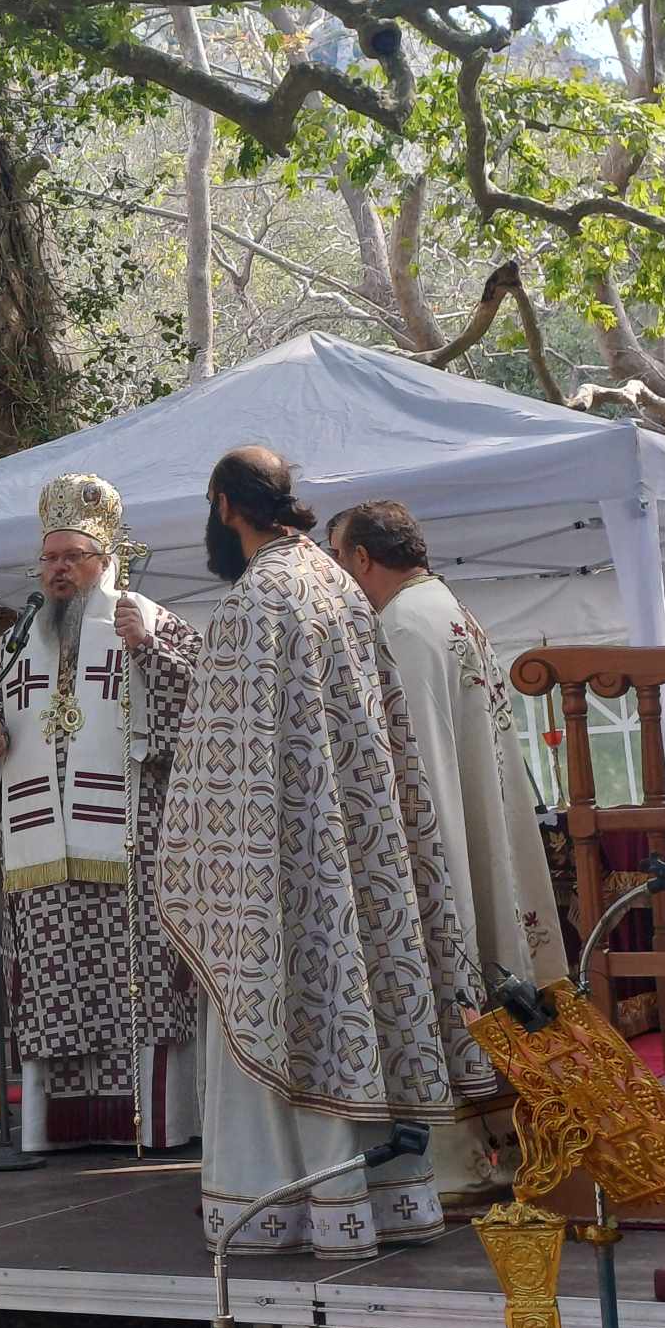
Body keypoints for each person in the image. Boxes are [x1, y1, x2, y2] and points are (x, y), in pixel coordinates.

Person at [158, 448, 494, 1258]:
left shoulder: (255, 599)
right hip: (352, 856)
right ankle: (381, 1198)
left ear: (223, 504)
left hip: (276, 868)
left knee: (279, 1009)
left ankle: (285, 1207)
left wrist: (187, 864)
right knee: (349, 1013)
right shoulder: (339, 585)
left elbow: (221, 769)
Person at [0, 473, 202, 1152]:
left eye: (72, 557)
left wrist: (149, 651)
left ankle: (157, 1128)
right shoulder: (12, 645)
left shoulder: (145, 621)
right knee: (52, 992)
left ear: (106, 560)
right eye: (50, 558)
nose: (58, 570)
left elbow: (210, 710)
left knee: (138, 990)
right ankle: (50, 1131)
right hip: (39, 866)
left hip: (131, 852)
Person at [328, 499, 571, 1204]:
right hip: (483, 827)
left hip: (443, 845)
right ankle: (514, 1132)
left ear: (362, 561)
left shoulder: (400, 625)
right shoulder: (450, 608)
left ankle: (457, 1152)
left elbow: (415, 759)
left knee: (453, 963)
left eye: (340, 559)